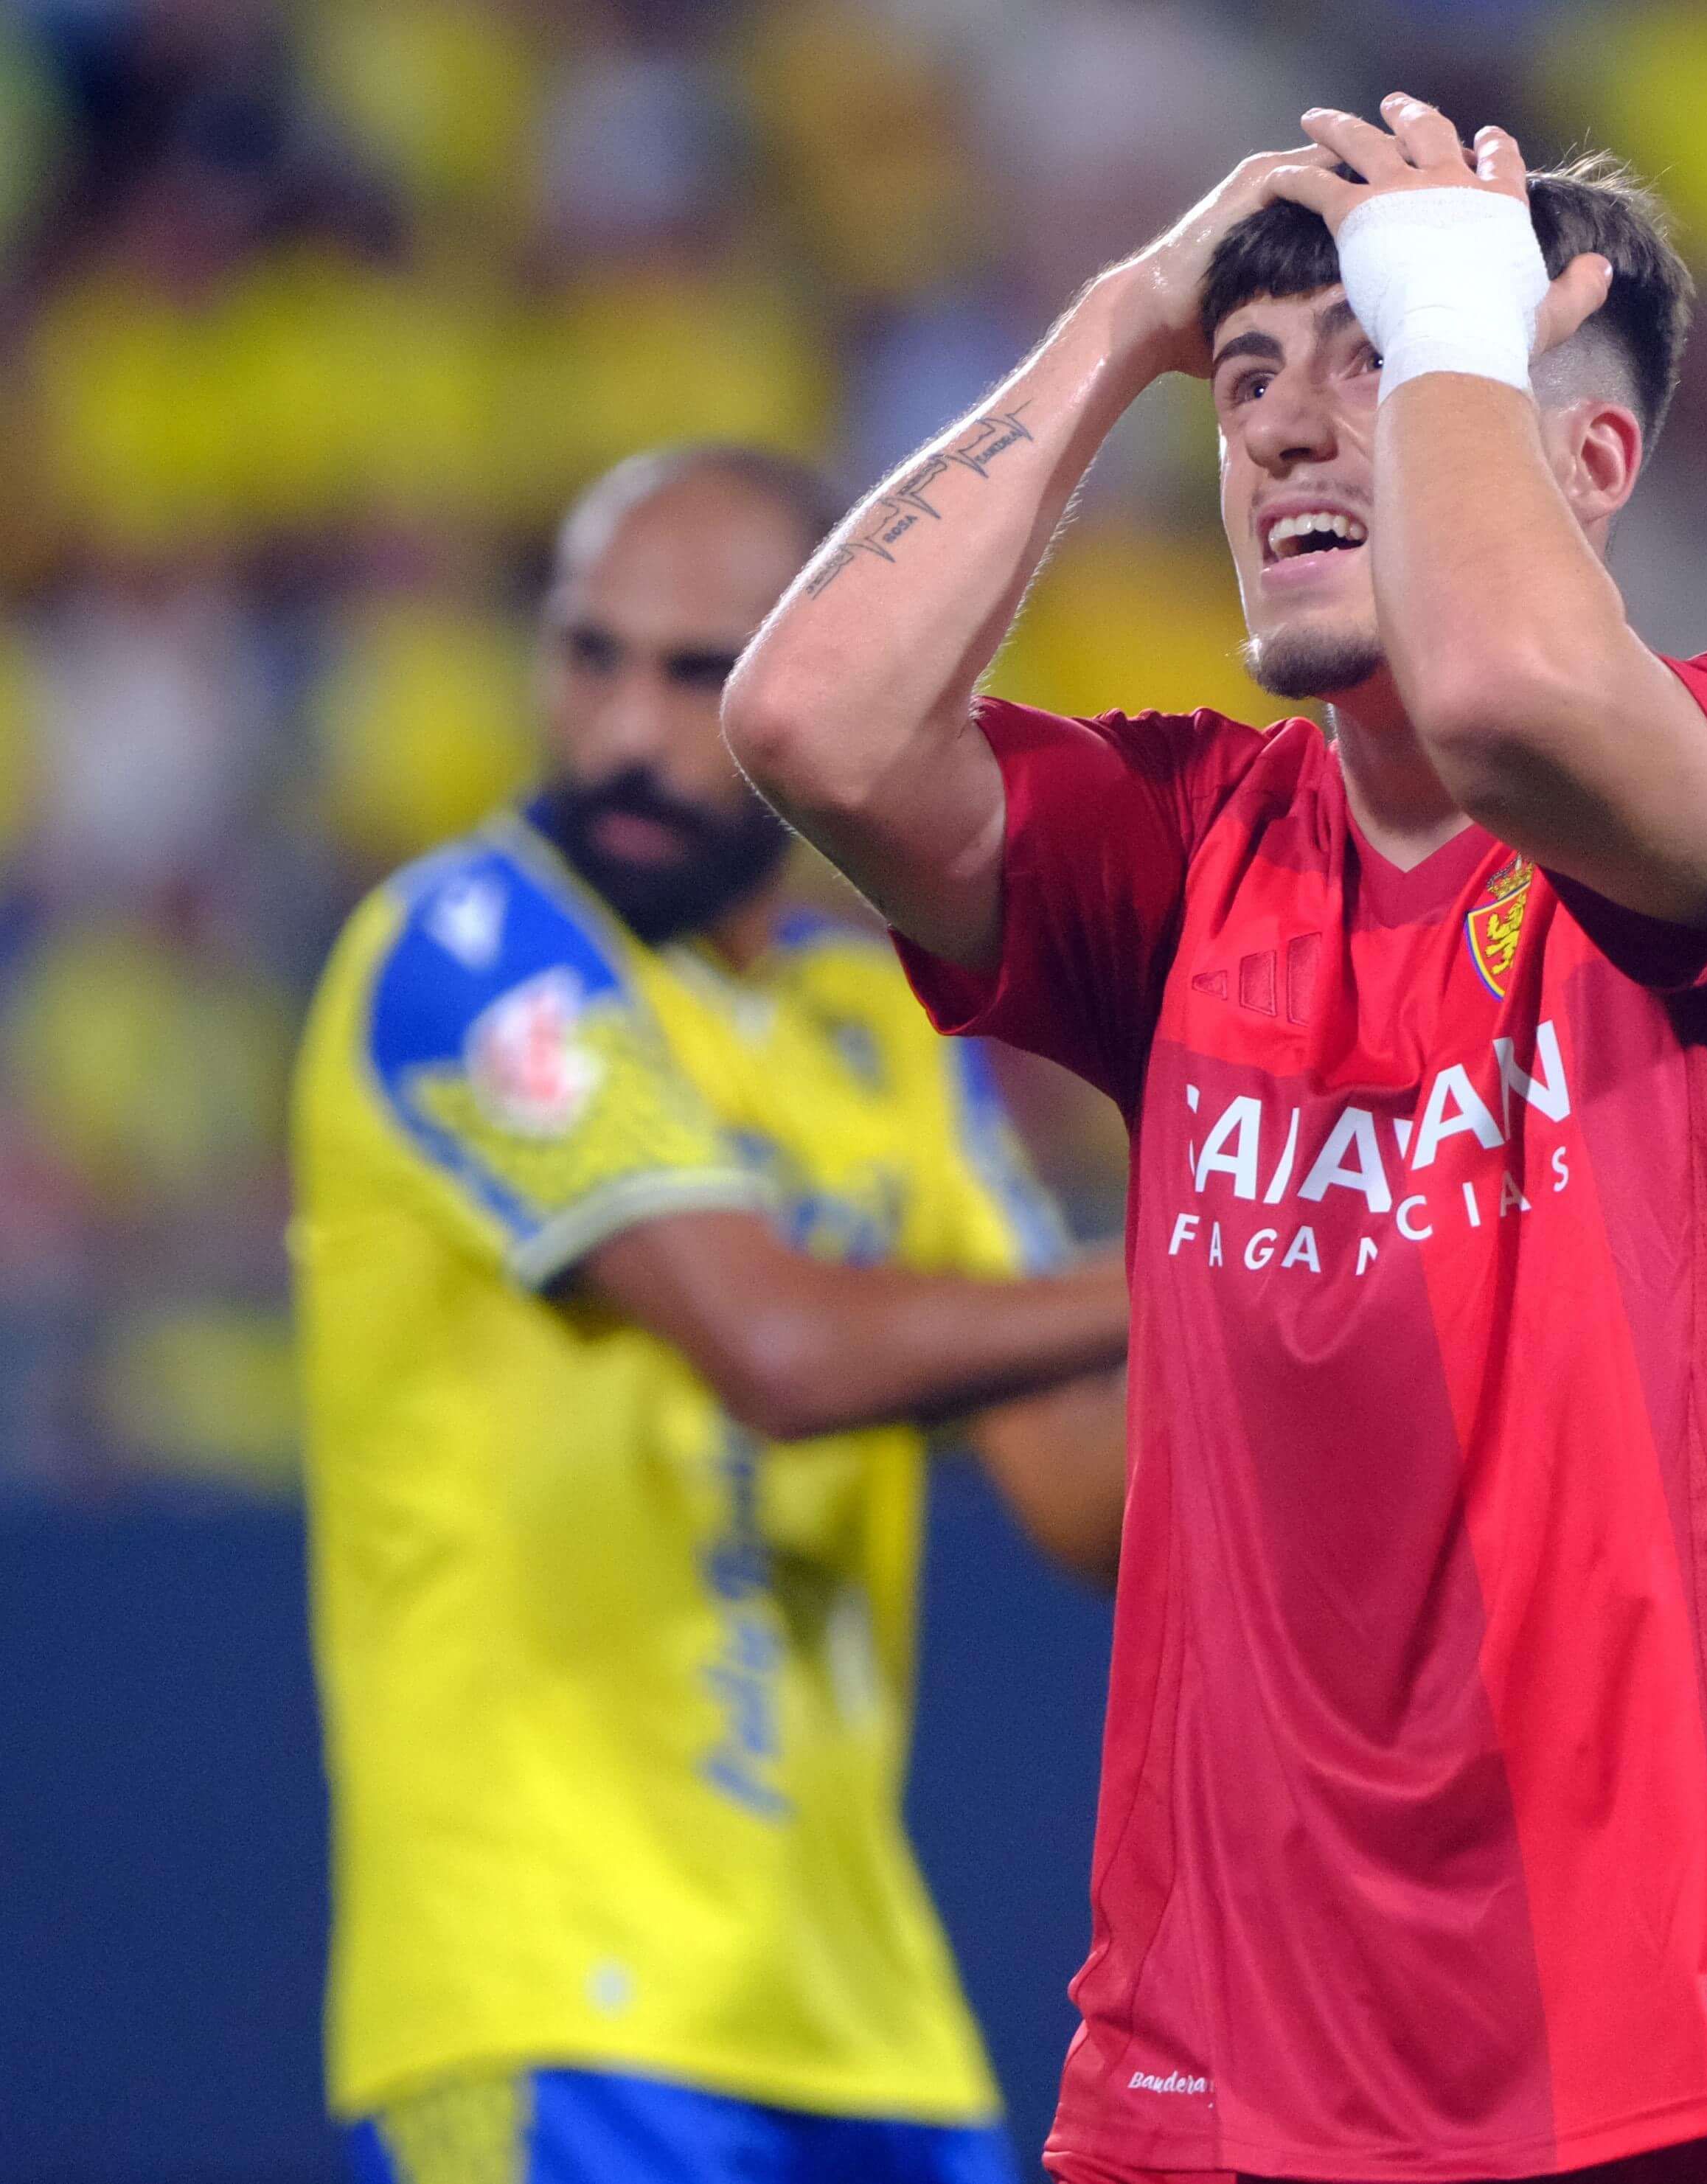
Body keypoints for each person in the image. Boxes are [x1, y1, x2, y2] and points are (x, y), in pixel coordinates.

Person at [725, 97, 1707, 2184]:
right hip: (1216, 2099)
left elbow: (1510, 702)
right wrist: (1130, 316)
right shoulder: (1188, 854)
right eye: (1249, 381)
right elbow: (809, 726)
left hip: (1691, 2096)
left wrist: (1456, 310)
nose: (1285, 428)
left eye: (1375, 361)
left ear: (1587, 462)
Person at [292, 445, 1135, 2184]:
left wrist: (1344, 1264)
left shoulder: (876, 1026)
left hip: (864, 2022)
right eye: (588, 654)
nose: (624, 730)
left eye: (699, 675)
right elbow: (779, 1353)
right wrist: (1208, 1244)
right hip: (546, 2003)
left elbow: (1085, 1499)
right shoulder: (468, 954)